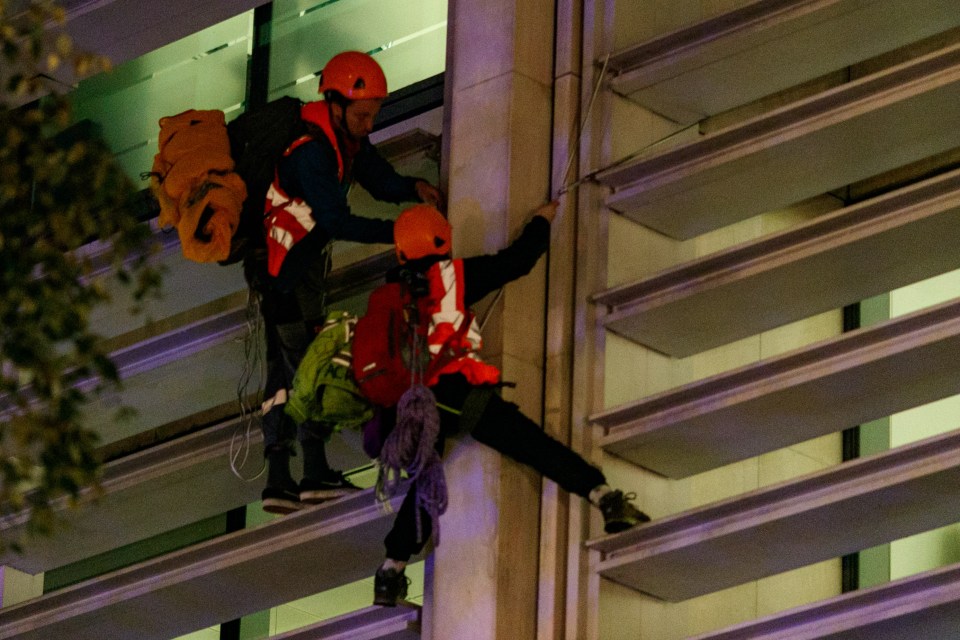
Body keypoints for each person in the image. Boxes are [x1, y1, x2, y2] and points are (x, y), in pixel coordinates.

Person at [370, 201, 649, 607]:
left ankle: (390, 571)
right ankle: (603, 496)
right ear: (442, 241)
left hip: (410, 407)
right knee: (532, 445)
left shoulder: (384, 299)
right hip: (457, 395)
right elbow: (516, 263)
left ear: (400, 253)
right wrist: (541, 220)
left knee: (426, 483)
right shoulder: (452, 277)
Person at [249, 50, 444, 515]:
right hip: (287, 275)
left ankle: (279, 480)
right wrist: (396, 232)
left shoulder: (343, 139)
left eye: (373, 114)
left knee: (283, 375)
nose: (369, 123)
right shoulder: (313, 151)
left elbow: (377, 178)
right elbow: (336, 220)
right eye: (362, 113)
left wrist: (412, 188)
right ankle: (313, 472)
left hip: (285, 270)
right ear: (334, 104)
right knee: (315, 365)